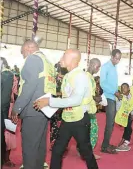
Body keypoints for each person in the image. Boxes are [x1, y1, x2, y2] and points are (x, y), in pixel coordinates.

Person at [34, 49, 98, 169]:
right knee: (57, 150)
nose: (60, 60)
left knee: (86, 151)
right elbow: (67, 97)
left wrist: (49, 102)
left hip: (79, 120)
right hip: (67, 118)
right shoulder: (69, 75)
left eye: (64, 57)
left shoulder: (80, 76)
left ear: (73, 60)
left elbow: (76, 100)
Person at [11, 40, 56, 169]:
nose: (23, 56)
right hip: (44, 109)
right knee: (40, 145)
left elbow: (29, 86)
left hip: (32, 109)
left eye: (23, 53)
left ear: (29, 48)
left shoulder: (32, 59)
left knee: (30, 146)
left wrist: (17, 108)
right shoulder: (47, 61)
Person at [100, 49, 122, 154]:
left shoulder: (114, 67)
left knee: (112, 123)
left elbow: (112, 83)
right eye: (116, 58)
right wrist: (114, 92)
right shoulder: (105, 67)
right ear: (112, 57)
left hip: (113, 96)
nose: (118, 60)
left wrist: (118, 91)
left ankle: (106, 143)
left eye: (119, 59)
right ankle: (104, 147)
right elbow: (103, 83)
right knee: (109, 123)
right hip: (109, 97)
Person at [80, 58, 102, 160]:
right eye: (98, 68)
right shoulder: (88, 78)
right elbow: (87, 94)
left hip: (85, 108)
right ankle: (88, 154)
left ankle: (82, 150)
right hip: (89, 108)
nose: (98, 70)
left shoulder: (85, 76)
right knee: (93, 132)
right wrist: (96, 98)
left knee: (84, 132)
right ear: (95, 66)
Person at [1, 57, 15, 167]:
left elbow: (8, 98)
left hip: (7, 110)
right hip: (6, 108)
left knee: (8, 135)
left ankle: (6, 159)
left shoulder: (8, 75)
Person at [115, 83, 133, 152]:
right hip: (122, 115)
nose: (123, 89)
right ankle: (123, 141)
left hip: (128, 114)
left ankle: (124, 141)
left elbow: (130, 105)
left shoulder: (130, 96)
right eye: (122, 87)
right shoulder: (120, 97)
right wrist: (118, 115)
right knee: (128, 128)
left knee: (128, 128)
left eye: (125, 87)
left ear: (128, 88)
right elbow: (117, 107)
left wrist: (132, 114)